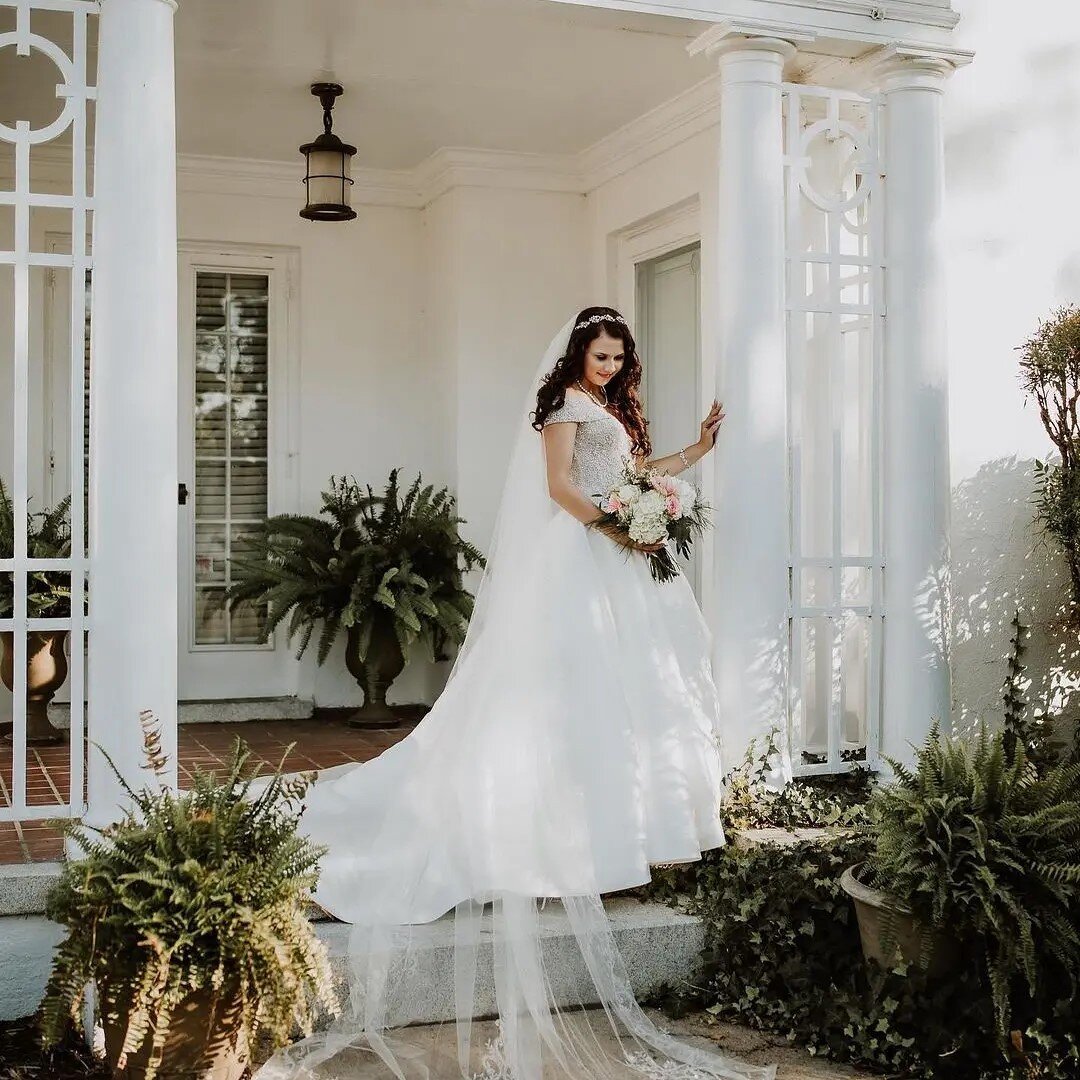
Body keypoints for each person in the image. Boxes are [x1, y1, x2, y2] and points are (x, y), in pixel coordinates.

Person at [254, 308, 776, 1080]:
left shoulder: (606, 408)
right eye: (600, 355)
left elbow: (631, 478)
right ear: (578, 353)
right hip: (585, 556)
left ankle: (601, 830)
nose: (608, 366)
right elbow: (564, 489)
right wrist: (622, 530)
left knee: (617, 700)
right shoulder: (563, 406)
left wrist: (696, 451)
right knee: (561, 691)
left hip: (618, 558)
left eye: (617, 357)